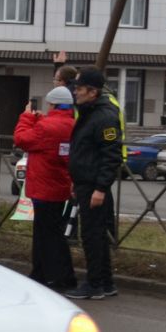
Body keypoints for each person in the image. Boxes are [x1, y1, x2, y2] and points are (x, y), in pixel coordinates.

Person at [13, 85, 79, 293]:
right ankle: (41, 273)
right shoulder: (72, 124)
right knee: (49, 231)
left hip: (43, 186)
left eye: (49, 104)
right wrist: (40, 119)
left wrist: (26, 117)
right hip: (60, 184)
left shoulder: (47, 126)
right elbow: (49, 134)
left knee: (48, 234)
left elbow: (22, 139)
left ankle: (58, 276)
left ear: (53, 104)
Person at [66, 69, 121, 299]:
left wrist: (100, 188)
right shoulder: (91, 111)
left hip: (94, 186)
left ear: (93, 91)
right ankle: (106, 283)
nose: (75, 92)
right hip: (86, 182)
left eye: (79, 88)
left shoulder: (104, 116)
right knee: (96, 234)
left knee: (92, 235)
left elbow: (111, 155)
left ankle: (94, 284)